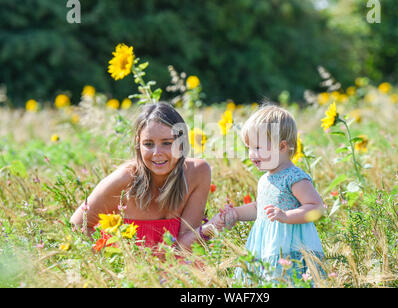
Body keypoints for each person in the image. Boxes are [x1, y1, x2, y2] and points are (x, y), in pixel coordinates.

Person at [70, 102, 222, 250]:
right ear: (138, 144)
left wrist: (212, 226)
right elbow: (77, 224)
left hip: (179, 271)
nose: (157, 153)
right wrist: (111, 260)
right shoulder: (125, 180)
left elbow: (185, 247)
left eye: (167, 143)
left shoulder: (197, 173)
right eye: (148, 144)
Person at [220, 104, 326, 284]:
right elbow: (259, 209)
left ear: (282, 146)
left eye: (258, 148)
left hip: (289, 248)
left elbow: (317, 207)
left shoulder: (294, 177)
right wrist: (236, 213)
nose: (252, 155)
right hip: (265, 245)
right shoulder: (265, 179)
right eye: (249, 148)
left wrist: (286, 215)